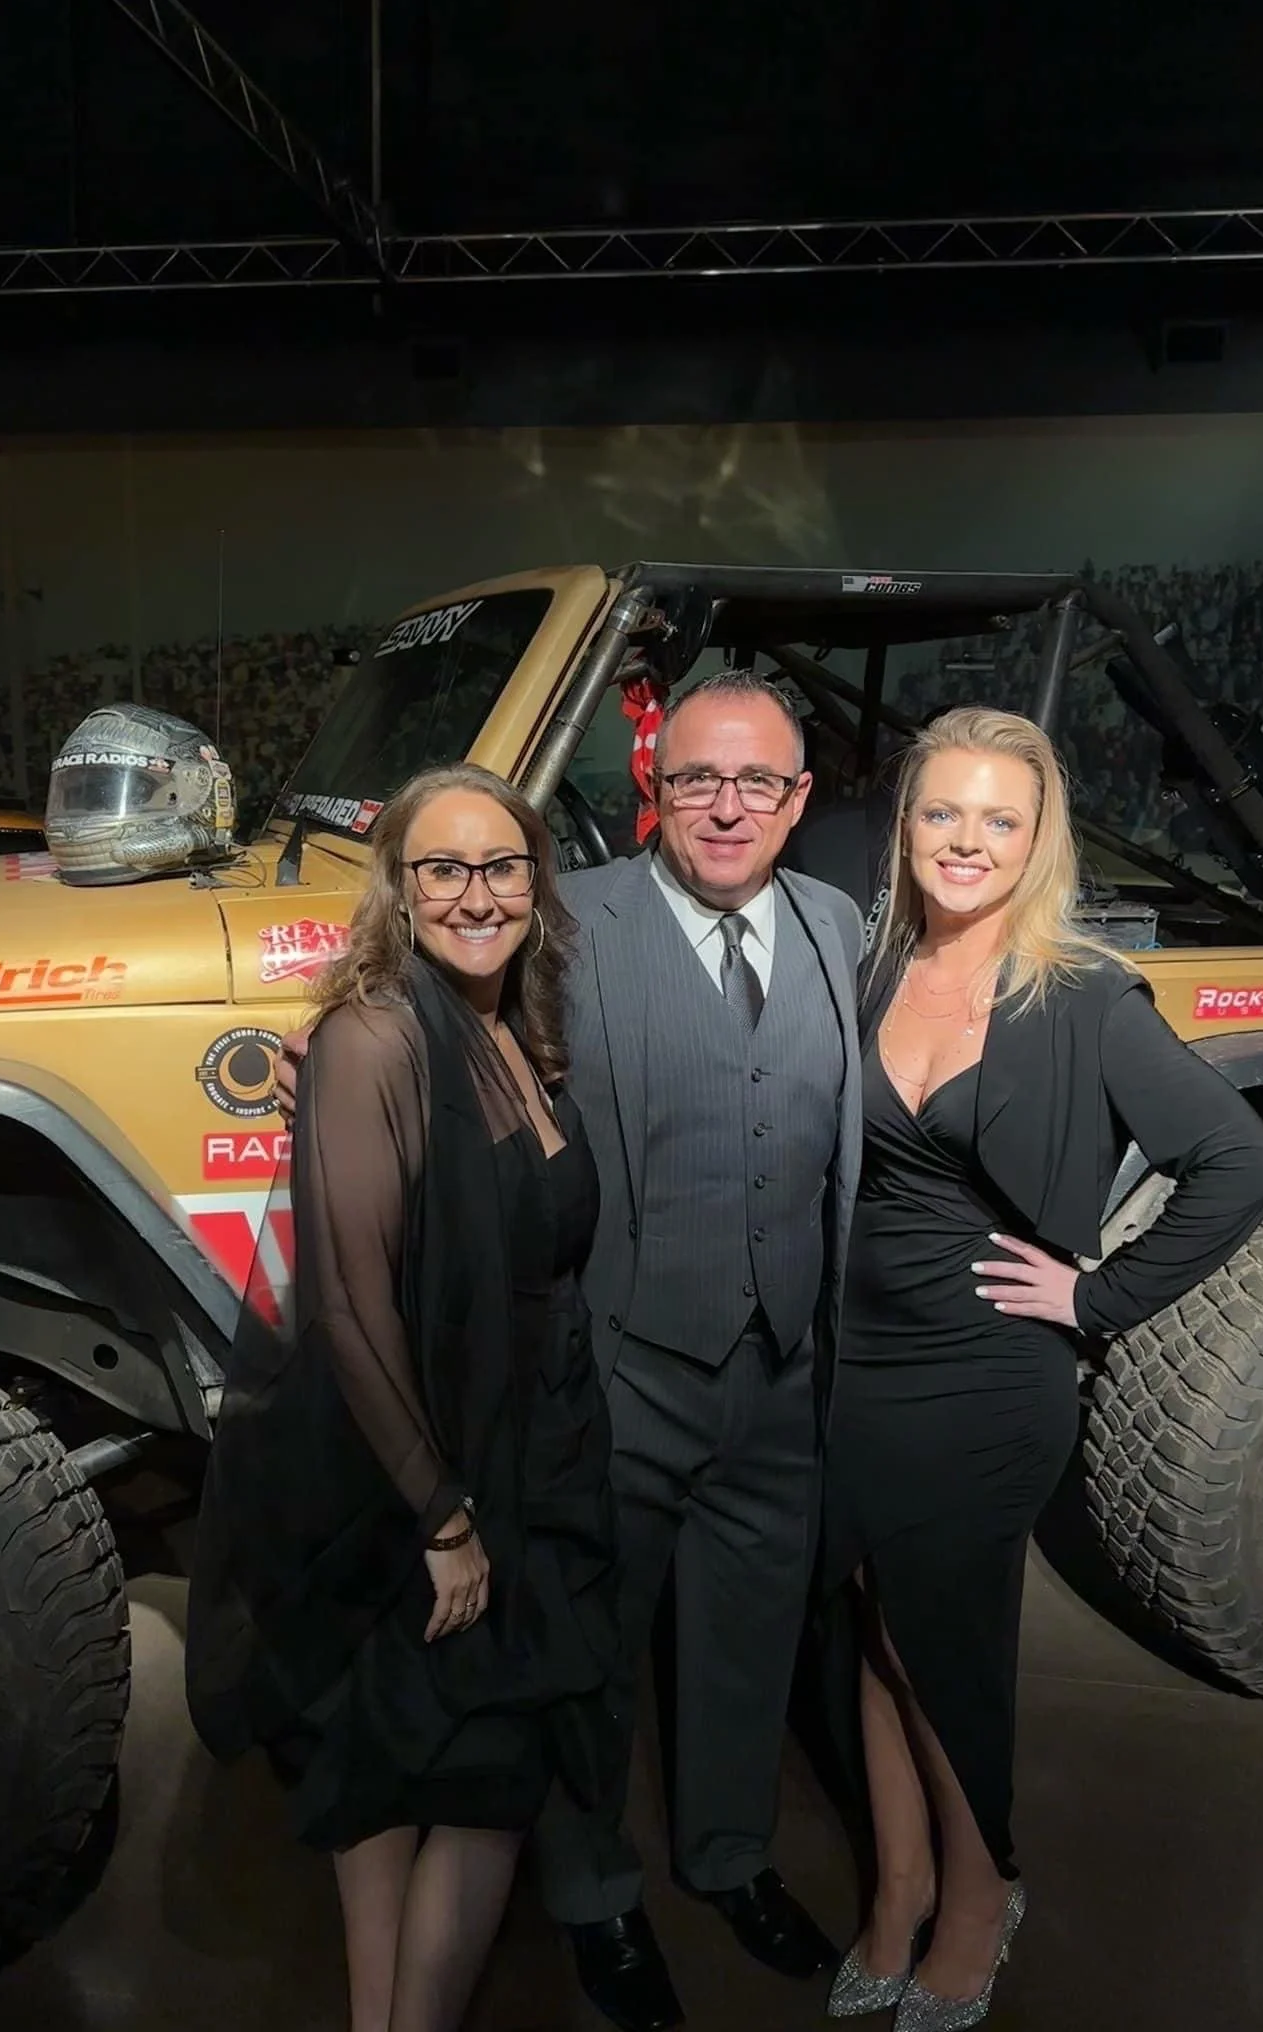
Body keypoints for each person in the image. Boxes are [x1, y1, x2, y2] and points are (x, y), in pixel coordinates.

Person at [277, 671, 864, 2032]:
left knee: (747, 1643)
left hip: (781, 1376)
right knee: (586, 1668)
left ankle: (728, 1859)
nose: (728, 805)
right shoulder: (565, 927)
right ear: (655, 786)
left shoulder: (838, 926)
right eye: (699, 778)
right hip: (618, 1373)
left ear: (797, 799)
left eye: (758, 782)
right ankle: (595, 1895)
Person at [822, 707, 1263, 2029]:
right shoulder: (866, 973)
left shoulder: (1081, 997)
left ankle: (982, 1893)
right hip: (854, 1364)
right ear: (906, 826)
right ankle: (899, 1889)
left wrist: (1099, 1295)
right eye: (941, 813)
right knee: (874, 1623)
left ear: (1039, 844)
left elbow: (1239, 1164)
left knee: (939, 1645)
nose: (965, 841)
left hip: (984, 1372)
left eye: (998, 820)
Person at [186, 765, 622, 2032]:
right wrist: (442, 1515)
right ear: (399, 887)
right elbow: (346, 1302)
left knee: (426, 1766)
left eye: (503, 865)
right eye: (443, 867)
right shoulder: (376, 1034)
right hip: (416, 1463)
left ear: (538, 884)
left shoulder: (510, 1027)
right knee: (459, 1773)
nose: (476, 893)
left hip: (529, 1438)